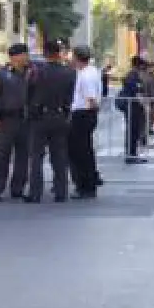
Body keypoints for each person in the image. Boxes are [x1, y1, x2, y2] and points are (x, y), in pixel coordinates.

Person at [24, 39, 77, 203]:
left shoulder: (36, 71)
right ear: (59, 52)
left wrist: (31, 111)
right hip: (60, 116)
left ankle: (35, 193)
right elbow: (70, 95)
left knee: (36, 157)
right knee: (59, 156)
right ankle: (61, 192)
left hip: (40, 117)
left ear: (45, 53)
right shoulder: (70, 72)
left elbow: (28, 93)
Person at [0, 43, 32, 202]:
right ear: (14, 57)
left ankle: (17, 188)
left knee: (23, 156)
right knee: (2, 156)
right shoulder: (2, 74)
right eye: (23, 54)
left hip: (26, 120)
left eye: (26, 54)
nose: (26, 57)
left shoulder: (31, 73)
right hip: (7, 119)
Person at [70, 46, 104, 198]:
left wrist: (91, 111)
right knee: (85, 150)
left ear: (76, 57)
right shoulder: (91, 71)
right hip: (86, 114)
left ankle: (86, 185)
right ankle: (89, 181)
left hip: (83, 114)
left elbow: (91, 99)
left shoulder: (86, 75)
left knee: (81, 152)